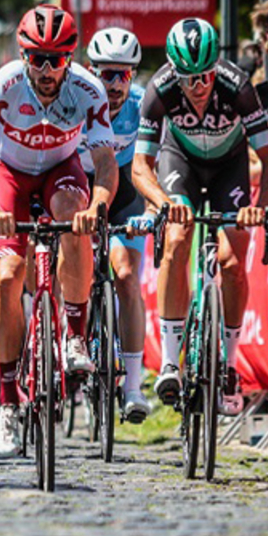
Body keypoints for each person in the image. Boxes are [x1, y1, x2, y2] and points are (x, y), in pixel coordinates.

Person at [0, 4, 118, 455]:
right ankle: (8, 401)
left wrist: (98, 205)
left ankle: (74, 336)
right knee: (7, 276)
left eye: (57, 59)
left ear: (70, 58)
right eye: (38, 58)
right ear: (23, 56)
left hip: (61, 169)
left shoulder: (88, 89)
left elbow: (106, 162)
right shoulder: (1, 86)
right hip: (11, 175)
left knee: (75, 216)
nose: (47, 69)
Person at [132, 18, 268, 416]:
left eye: (205, 76)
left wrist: (261, 207)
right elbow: (140, 166)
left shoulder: (238, 88)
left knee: (232, 261)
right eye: (189, 78)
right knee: (178, 238)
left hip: (229, 166)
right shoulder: (160, 89)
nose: (198, 87)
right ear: (174, 71)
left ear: (215, 67)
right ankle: (170, 362)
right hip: (179, 161)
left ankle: (229, 365)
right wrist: (162, 202)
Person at [85, 27, 153, 423]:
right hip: (80, 186)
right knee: (67, 270)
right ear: (91, 72)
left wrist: (152, 209)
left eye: (122, 75)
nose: (113, 84)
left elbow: (156, 160)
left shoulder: (143, 105)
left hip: (125, 190)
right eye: (106, 74)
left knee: (126, 276)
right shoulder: (75, 101)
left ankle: (133, 387)